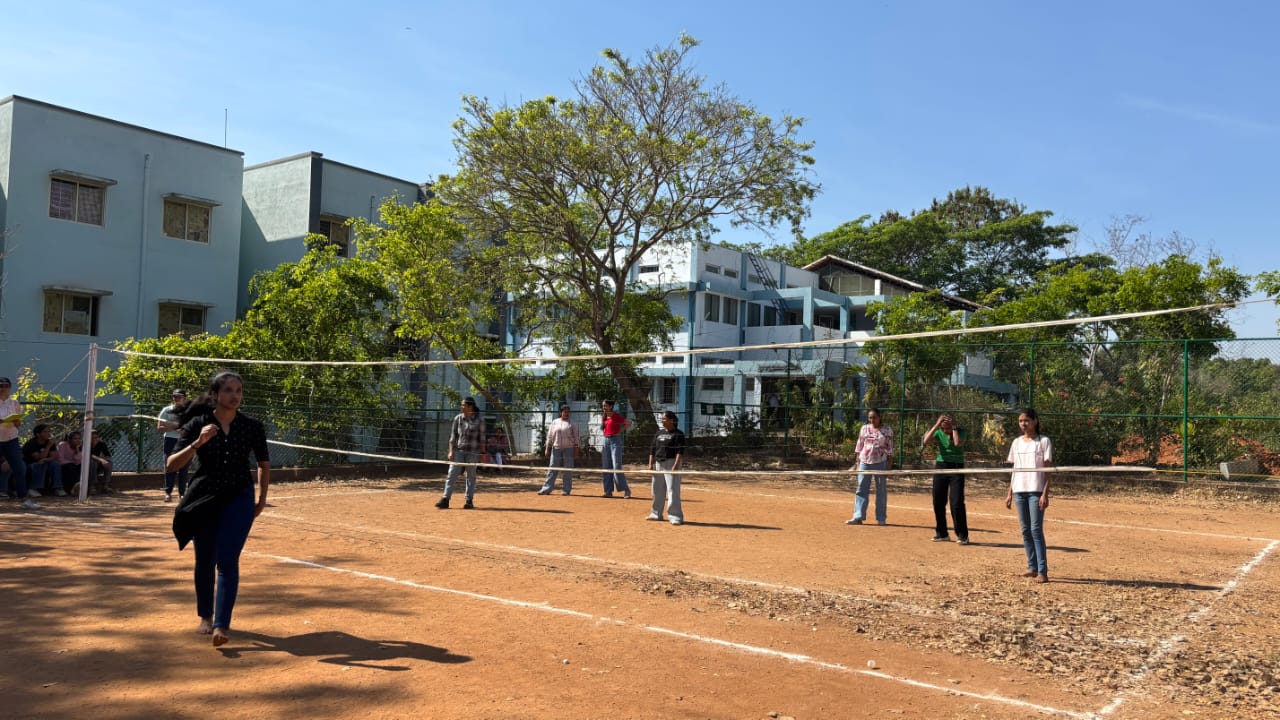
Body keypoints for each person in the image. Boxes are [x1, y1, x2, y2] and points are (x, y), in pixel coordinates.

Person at [168, 370, 271, 647]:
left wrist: (261, 499)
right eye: (228, 390)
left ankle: (221, 625)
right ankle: (206, 615)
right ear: (215, 395)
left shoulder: (252, 426)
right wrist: (197, 442)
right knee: (205, 560)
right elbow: (172, 465)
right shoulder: (197, 425)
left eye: (238, 390)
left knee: (227, 561)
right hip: (205, 496)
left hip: (239, 495)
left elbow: (263, 463)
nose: (234, 396)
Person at [1005, 408, 1053, 584]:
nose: (1023, 424)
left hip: (1035, 490)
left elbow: (1048, 470)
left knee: (1035, 530)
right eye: (1020, 421)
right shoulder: (1016, 442)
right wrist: (1010, 492)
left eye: (1026, 420)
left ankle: (1042, 571)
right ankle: (1032, 567)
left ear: (1035, 421)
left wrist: (1045, 493)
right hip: (1019, 490)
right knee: (1025, 530)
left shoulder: (1043, 441)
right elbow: (1015, 469)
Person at [922, 413, 968, 544]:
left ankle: (962, 535)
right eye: (943, 420)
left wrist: (953, 427)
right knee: (938, 500)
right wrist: (936, 424)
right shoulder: (938, 432)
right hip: (941, 466)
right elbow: (925, 441)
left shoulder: (961, 431)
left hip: (956, 467)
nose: (945, 423)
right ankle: (942, 533)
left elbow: (958, 443)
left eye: (947, 420)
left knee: (956, 502)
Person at [847, 408, 893, 526]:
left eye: (874, 417)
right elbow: (859, 445)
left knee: (881, 491)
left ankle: (881, 518)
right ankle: (858, 516)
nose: (872, 420)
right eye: (870, 417)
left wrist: (888, 467)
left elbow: (890, 450)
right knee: (861, 489)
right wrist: (857, 464)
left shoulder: (887, 430)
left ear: (879, 417)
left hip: (880, 462)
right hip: (864, 462)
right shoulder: (864, 428)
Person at [436, 397, 483, 510]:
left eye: (463, 405)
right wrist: (451, 451)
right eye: (461, 405)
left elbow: (482, 438)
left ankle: (469, 500)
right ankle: (445, 499)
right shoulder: (458, 418)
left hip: (473, 452)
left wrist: (483, 453)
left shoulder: (479, 420)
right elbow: (453, 437)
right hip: (459, 451)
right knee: (452, 473)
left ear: (470, 406)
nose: (461, 407)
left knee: (471, 476)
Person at [0, 376, 40, 509]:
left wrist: (15, 421)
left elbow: (17, 424)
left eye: (6, 386)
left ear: (9, 388)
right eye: (0, 386)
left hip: (11, 439)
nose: (3, 388)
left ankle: (23, 499)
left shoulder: (14, 403)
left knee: (20, 469)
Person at [646, 411, 686, 525]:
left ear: (671, 420)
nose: (662, 420)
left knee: (672, 490)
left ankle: (675, 516)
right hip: (658, 464)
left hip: (671, 463)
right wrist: (650, 464)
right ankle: (656, 513)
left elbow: (680, 451)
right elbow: (652, 449)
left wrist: (676, 465)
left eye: (664, 419)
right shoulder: (659, 433)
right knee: (657, 490)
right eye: (662, 419)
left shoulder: (678, 434)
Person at [158, 389, 190, 502]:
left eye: (179, 396)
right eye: (174, 396)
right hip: (170, 440)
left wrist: (184, 430)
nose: (176, 398)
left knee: (184, 467)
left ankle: (182, 493)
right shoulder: (166, 410)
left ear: (184, 398)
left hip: (185, 441)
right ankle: (168, 493)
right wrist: (173, 428)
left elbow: (193, 427)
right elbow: (160, 427)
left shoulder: (188, 411)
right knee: (170, 466)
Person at [539, 405, 579, 495]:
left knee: (568, 470)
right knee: (552, 468)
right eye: (565, 411)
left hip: (569, 448)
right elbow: (549, 436)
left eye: (568, 412)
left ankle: (566, 490)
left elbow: (576, 438)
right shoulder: (554, 422)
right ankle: (546, 489)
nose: (566, 413)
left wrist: (576, 450)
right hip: (556, 448)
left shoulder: (573, 423)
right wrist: (547, 448)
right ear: (560, 412)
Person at [600, 399, 633, 498]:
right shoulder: (604, 417)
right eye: (603, 406)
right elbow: (604, 428)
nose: (604, 407)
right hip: (605, 440)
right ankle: (608, 491)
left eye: (605, 406)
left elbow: (629, 423)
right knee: (606, 467)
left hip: (615, 440)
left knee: (617, 466)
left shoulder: (616, 416)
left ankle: (626, 490)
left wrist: (620, 431)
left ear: (610, 406)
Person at [23, 424, 64, 497]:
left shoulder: (49, 442)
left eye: (48, 431)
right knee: (40, 464)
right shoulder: (31, 443)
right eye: (45, 432)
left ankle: (58, 488)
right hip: (30, 465)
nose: (48, 433)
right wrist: (48, 447)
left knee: (55, 464)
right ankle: (33, 488)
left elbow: (53, 457)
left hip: (45, 462)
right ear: (38, 434)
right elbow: (38, 458)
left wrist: (45, 459)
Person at [57, 430, 91, 496]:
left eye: (79, 439)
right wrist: (72, 462)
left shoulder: (80, 447)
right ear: (69, 439)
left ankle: (80, 487)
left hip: (73, 466)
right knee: (71, 466)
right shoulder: (63, 445)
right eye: (75, 439)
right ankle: (73, 488)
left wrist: (78, 450)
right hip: (63, 466)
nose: (78, 440)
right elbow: (60, 460)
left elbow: (79, 461)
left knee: (82, 466)